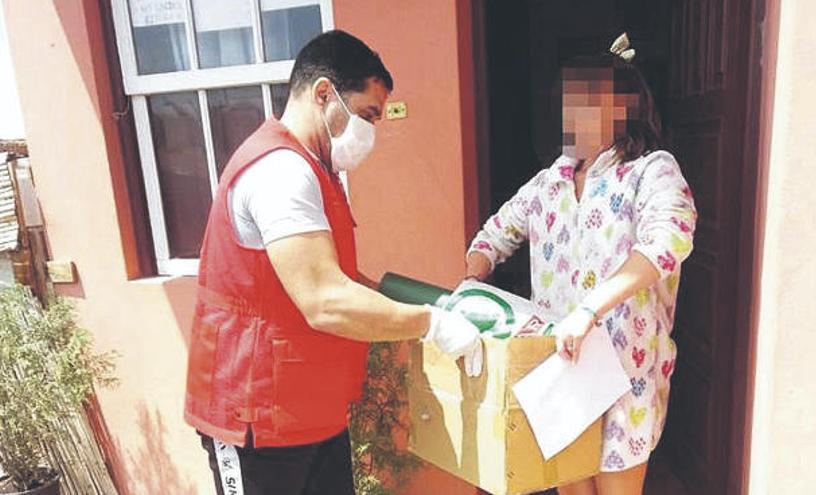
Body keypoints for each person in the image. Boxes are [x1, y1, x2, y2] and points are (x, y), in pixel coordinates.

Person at [184, 30, 482, 495]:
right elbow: (324, 300)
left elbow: (340, 278)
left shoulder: (318, 171)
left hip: (313, 412)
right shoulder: (281, 172)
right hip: (255, 420)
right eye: (368, 114)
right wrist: (429, 322)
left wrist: (428, 302)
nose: (371, 132)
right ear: (324, 93)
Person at [464, 34, 697, 495]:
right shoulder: (548, 182)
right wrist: (472, 283)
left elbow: (668, 239)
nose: (578, 115)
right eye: (573, 104)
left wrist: (589, 310)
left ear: (625, 108)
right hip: (560, 372)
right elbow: (493, 236)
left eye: (594, 103)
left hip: (624, 378)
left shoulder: (651, 171)